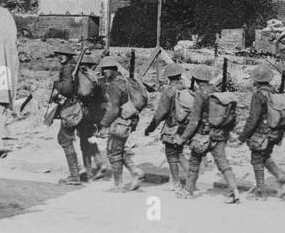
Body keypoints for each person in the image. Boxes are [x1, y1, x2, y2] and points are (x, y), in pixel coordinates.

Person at [179, 65, 241, 203]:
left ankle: (188, 191)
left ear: (195, 79)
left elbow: (194, 120)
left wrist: (183, 138)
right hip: (219, 134)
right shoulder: (216, 91)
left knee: (194, 162)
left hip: (203, 136)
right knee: (223, 163)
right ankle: (234, 190)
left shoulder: (200, 94)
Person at [237, 64, 285, 199]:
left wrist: (242, 136)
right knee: (265, 157)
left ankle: (261, 191)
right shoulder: (273, 92)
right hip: (275, 132)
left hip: (262, 133)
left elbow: (253, 118)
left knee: (256, 160)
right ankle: (281, 178)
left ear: (257, 80)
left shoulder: (258, 95)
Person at [51, 47, 105, 184]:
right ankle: (89, 172)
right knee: (84, 139)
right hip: (84, 110)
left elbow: (67, 89)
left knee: (64, 139)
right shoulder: (78, 69)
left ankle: (74, 176)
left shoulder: (67, 69)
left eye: (61, 55)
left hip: (72, 110)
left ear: (66, 57)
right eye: (59, 55)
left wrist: (56, 84)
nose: (59, 58)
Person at [98, 56, 145, 191]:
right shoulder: (125, 80)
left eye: (105, 70)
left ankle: (118, 185)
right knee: (118, 150)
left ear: (112, 70)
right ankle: (136, 172)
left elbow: (113, 109)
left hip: (121, 122)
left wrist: (104, 125)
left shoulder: (114, 85)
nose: (103, 74)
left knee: (113, 153)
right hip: (130, 119)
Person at [143, 62, 187, 192]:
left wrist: (150, 128)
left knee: (171, 155)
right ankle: (191, 178)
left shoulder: (168, 91)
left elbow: (161, 113)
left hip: (172, 126)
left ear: (169, 77)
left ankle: (176, 183)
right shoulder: (186, 89)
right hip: (185, 126)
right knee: (179, 153)